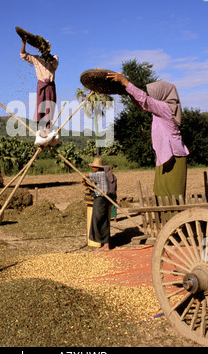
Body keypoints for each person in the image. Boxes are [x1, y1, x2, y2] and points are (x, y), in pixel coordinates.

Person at [106, 72, 189, 204]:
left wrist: (125, 82)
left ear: (163, 94)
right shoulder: (159, 109)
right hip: (166, 155)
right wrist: (128, 93)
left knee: (172, 193)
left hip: (174, 156)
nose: (152, 96)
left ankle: (174, 220)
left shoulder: (166, 108)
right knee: (161, 191)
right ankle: (165, 220)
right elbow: (143, 105)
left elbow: (146, 100)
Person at [20, 40, 60, 146]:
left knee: (49, 107)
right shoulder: (36, 59)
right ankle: (41, 129)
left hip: (50, 85)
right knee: (40, 107)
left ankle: (48, 129)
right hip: (41, 85)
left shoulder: (54, 58)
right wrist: (24, 43)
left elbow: (55, 64)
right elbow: (23, 55)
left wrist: (48, 55)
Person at [81, 157, 110, 251]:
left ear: (97, 168)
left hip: (101, 200)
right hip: (101, 199)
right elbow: (96, 188)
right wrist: (87, 185)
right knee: (101, 220)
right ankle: (103, 243)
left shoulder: (100, 174)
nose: (92, 169)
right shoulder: (101, 175)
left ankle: (105, 243)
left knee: (99, 220)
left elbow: (86, 175)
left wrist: (83, 178)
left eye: (93, 167)